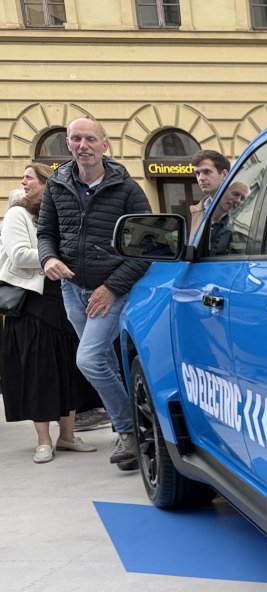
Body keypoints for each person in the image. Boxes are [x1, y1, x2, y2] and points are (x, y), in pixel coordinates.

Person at [37, 116, 151, 471]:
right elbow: (46, 233)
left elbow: (147, 246)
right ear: (68, 144)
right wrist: (49, 258)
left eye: (90, 138)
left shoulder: (127, 188)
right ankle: (137, 427)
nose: (82, 145)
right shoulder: (57, 183)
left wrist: (111, 288)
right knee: (100, 361)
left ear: (105, 144)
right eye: (75, 139)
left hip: (109, 291)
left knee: (88, 360)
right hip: (72, 288)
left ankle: (129, 430)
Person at [0, 163, 102, 463]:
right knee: (39, 372)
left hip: (63, 298)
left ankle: (68, 436)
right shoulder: (19, 214)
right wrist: (55, 255)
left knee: (68, 369)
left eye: (29, 177)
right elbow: (18, 256)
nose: (23, 182)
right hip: (33, 303)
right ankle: (44, 440)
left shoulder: (60, 215)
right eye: (24, 177)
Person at [188, 150, 230, 238]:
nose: (201, 178)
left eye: (206, 172)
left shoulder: (242, 207)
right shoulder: (197, 211)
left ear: (224, 174)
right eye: (197, 173)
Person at [205, 181, 250, 253]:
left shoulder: (233, 229)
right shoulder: (194, 215)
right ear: (222, 190)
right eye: (235, 194)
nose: (238, 200)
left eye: (242, 199)